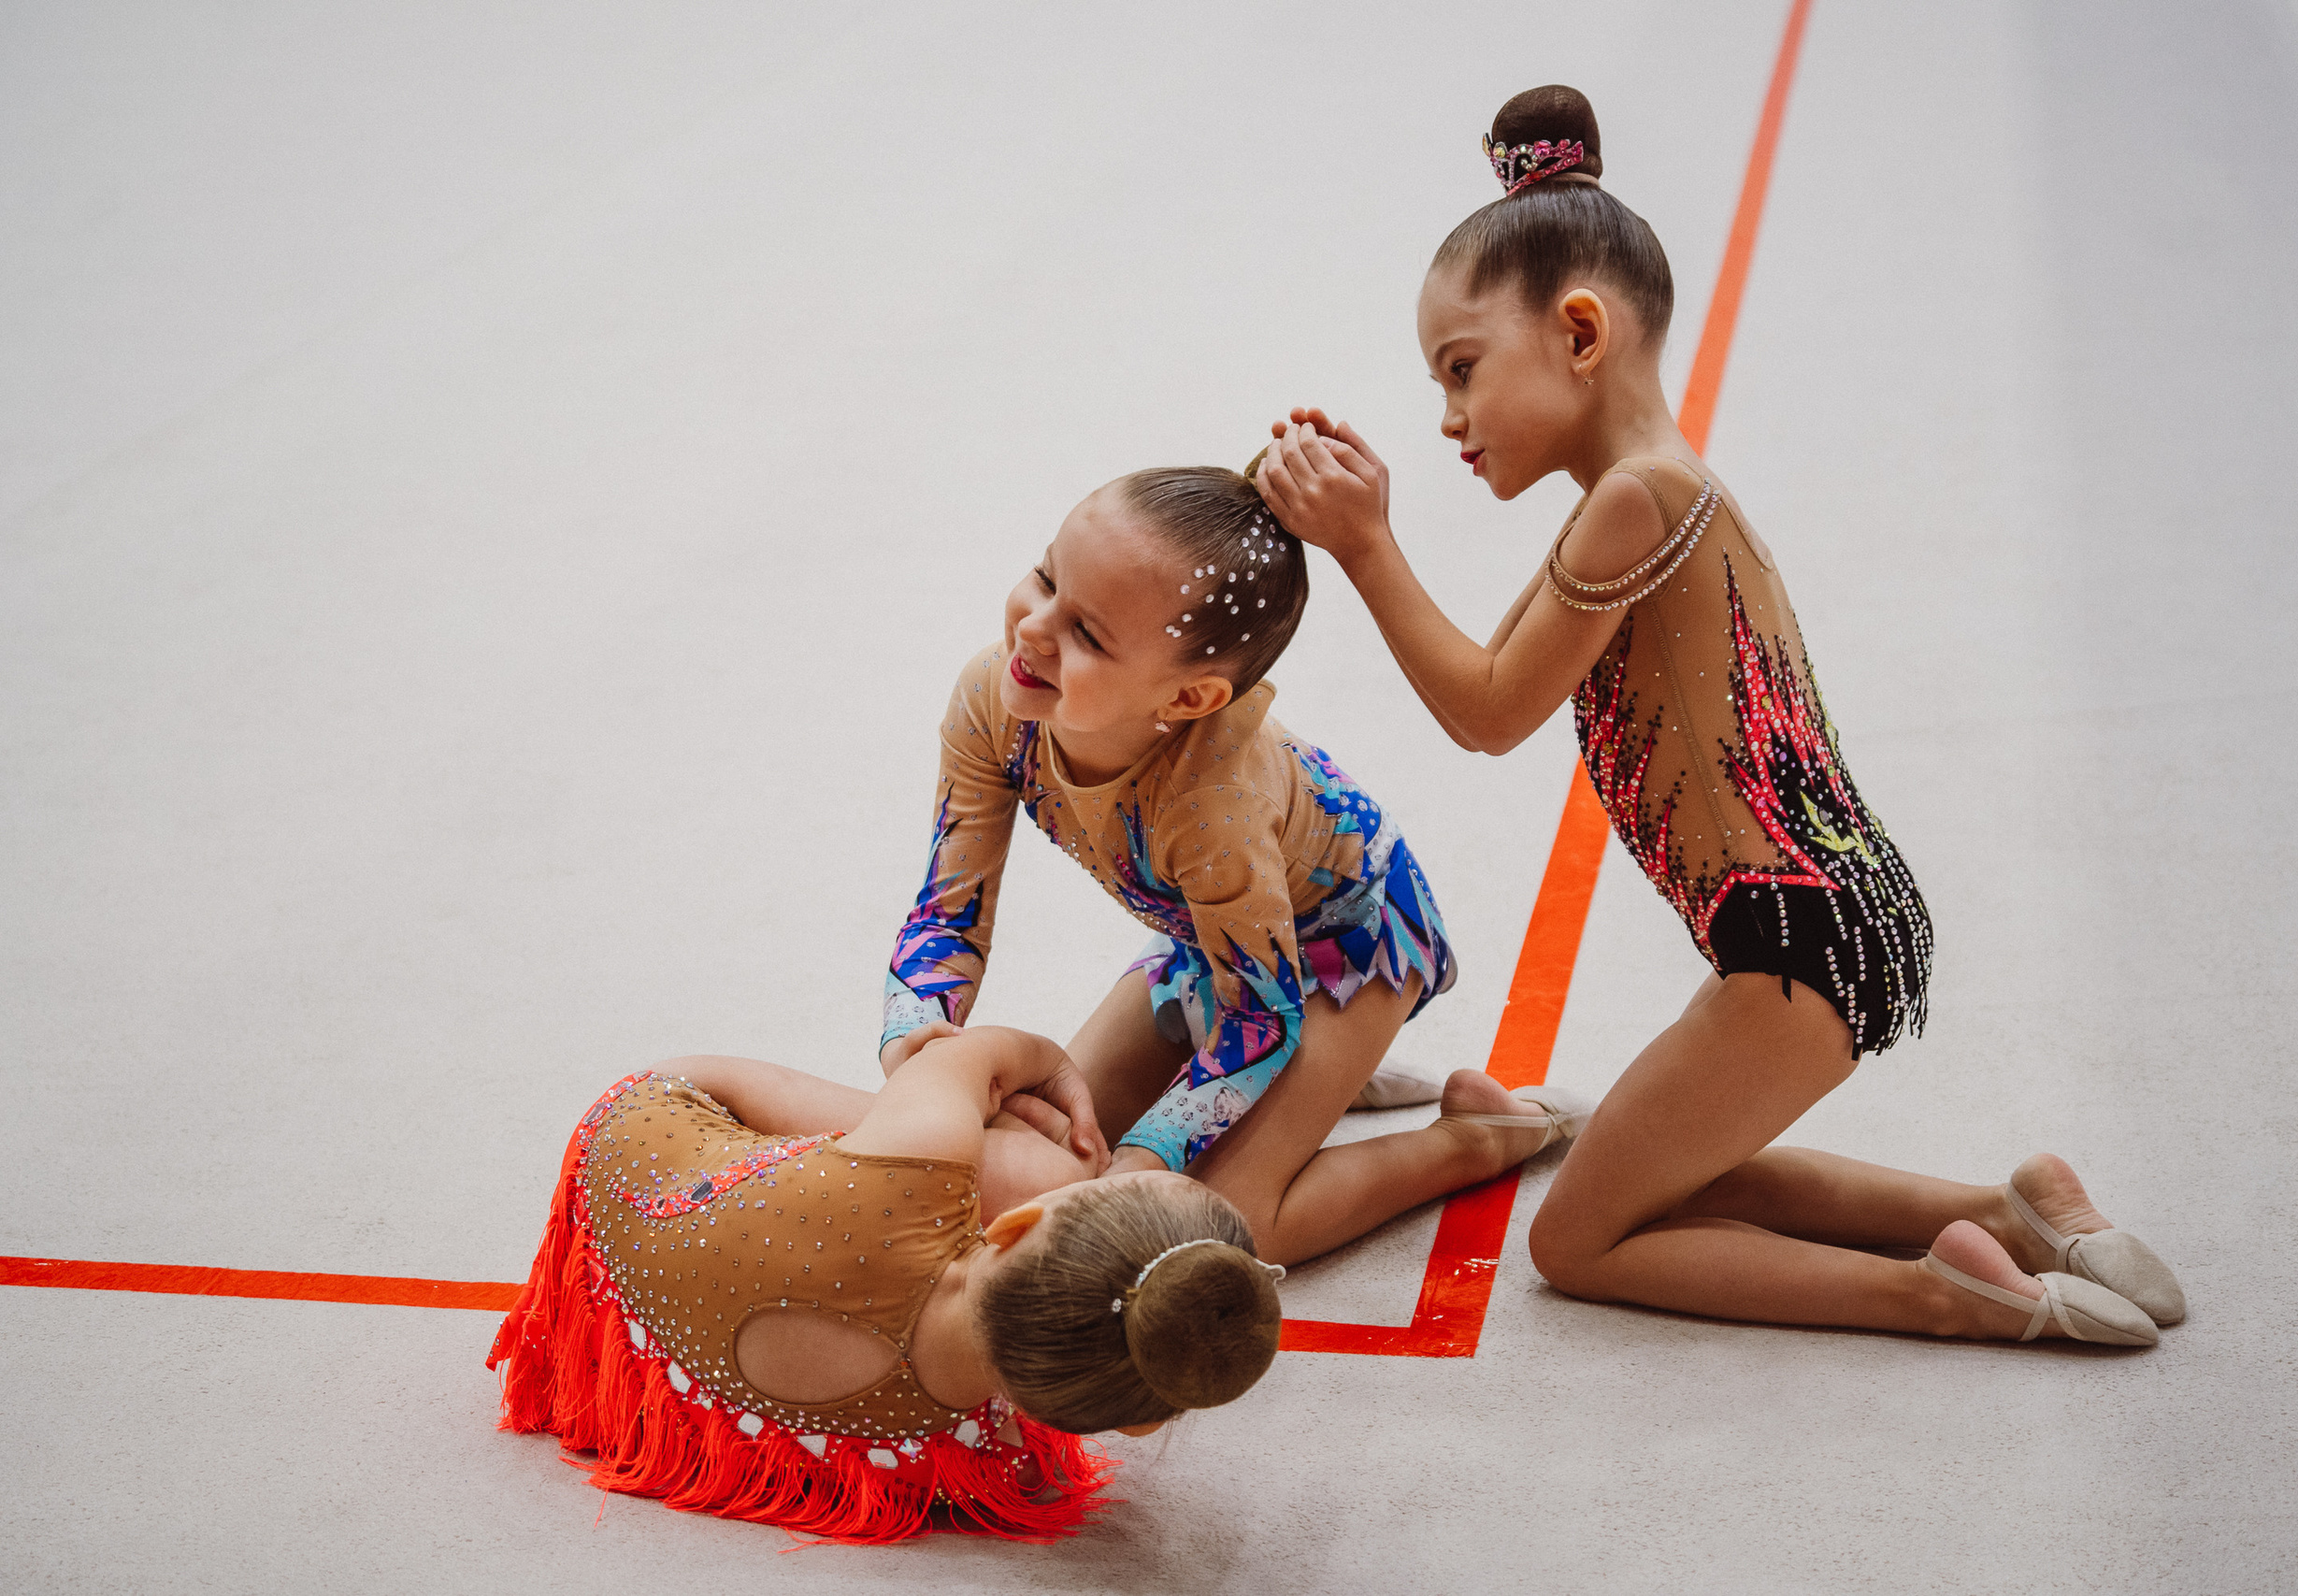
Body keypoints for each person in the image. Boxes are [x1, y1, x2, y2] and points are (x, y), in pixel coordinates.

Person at [1252, 84, 2184, 1346]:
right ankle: (2015, 1211)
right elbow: (1490, 668)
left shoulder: (1640, 501)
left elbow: (1487, 709)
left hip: (1798, 935)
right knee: (1669, 1173)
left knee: (1576, 1239)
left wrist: (1364, 545)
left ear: (1581, 332)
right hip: (1822, 912)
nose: (1448, 416)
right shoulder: (1637, 493)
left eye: (1462, 369)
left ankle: (1950, 1294)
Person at [882, 463, 1583, 1265]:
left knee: (1213, 1218)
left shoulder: (1214, 807)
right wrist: (919, 1046)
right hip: (1212, 942)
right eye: (1046, 577)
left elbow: (1260, 1016)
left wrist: (1145, 1163)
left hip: (1348, 946)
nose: (1034, 628)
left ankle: (1477, 1136)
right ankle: (1323, 1089)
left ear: (1188, 702)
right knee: (1045, 1164)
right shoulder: (991, 701)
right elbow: (947, 912)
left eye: (1087, 634)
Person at [488, 1023, 1281, 1543]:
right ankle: (1416, 1154)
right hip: (703, 1248)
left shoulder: (926, 1157)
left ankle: (953, 1136)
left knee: (1030, 1153)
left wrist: (1051, 1069)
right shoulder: (983, 1444)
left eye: (1109, 1184)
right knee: (989, 1156)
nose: (1105, 1168)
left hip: (641, 1150)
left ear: (1012, 1226)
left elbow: (969, 1055)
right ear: (1133, 1424)